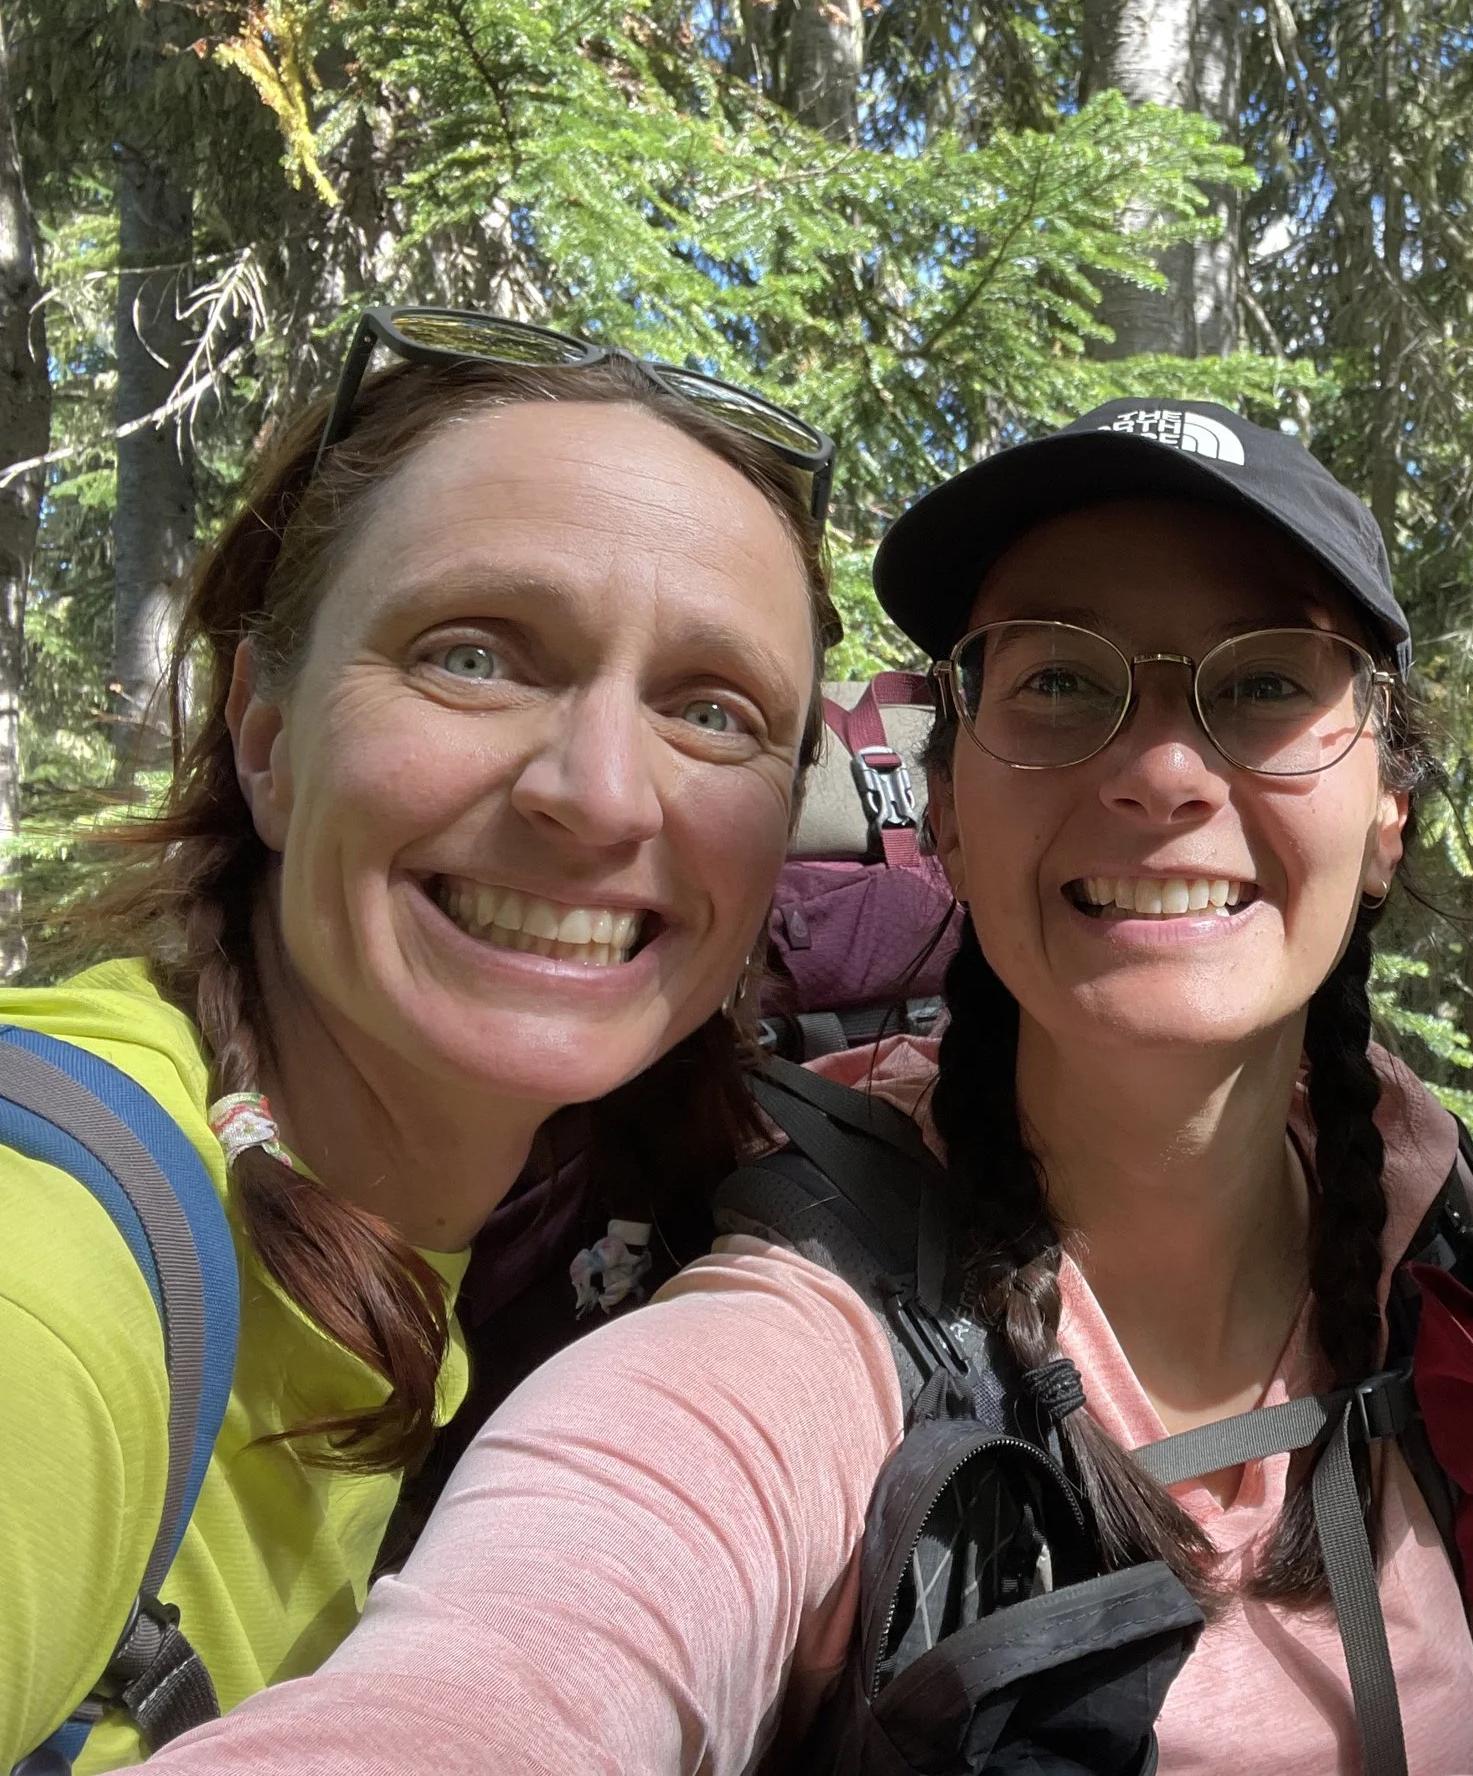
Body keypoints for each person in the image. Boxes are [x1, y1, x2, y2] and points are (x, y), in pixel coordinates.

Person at [136, 399, 1473, 1776]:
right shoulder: (814, 1311)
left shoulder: (1467, 1255)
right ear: (947, 811)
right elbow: (519, 1664)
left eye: (1265, 684)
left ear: (1388, 808)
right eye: (1060, 681)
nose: (1164, 773)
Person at [1, 306, 843, 1771]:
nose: (599, 792)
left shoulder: (523, 1213)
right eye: (474, 657)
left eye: (714, 712)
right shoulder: (57, 1272)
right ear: (265, 735)